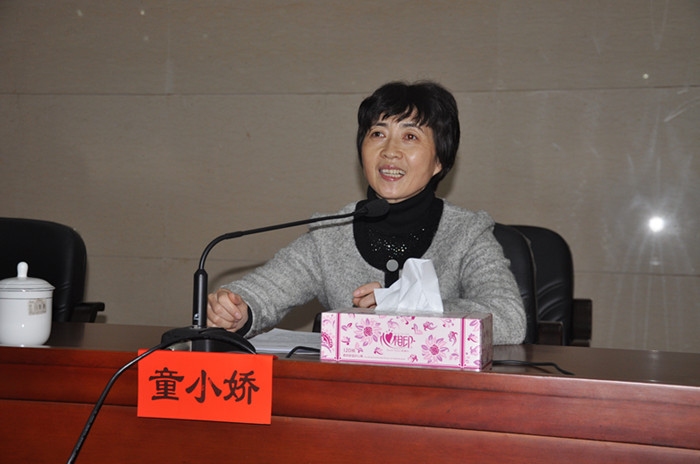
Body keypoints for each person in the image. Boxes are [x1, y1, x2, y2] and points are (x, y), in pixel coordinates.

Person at [207, 81, 526, 345]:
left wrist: (407, 304)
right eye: (378, 134)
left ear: (439, 161)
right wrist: (236, 308)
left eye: (410, 136)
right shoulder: (331, 235)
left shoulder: (467, 233)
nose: (390, 151)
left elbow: (510, 319)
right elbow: (264, 291)